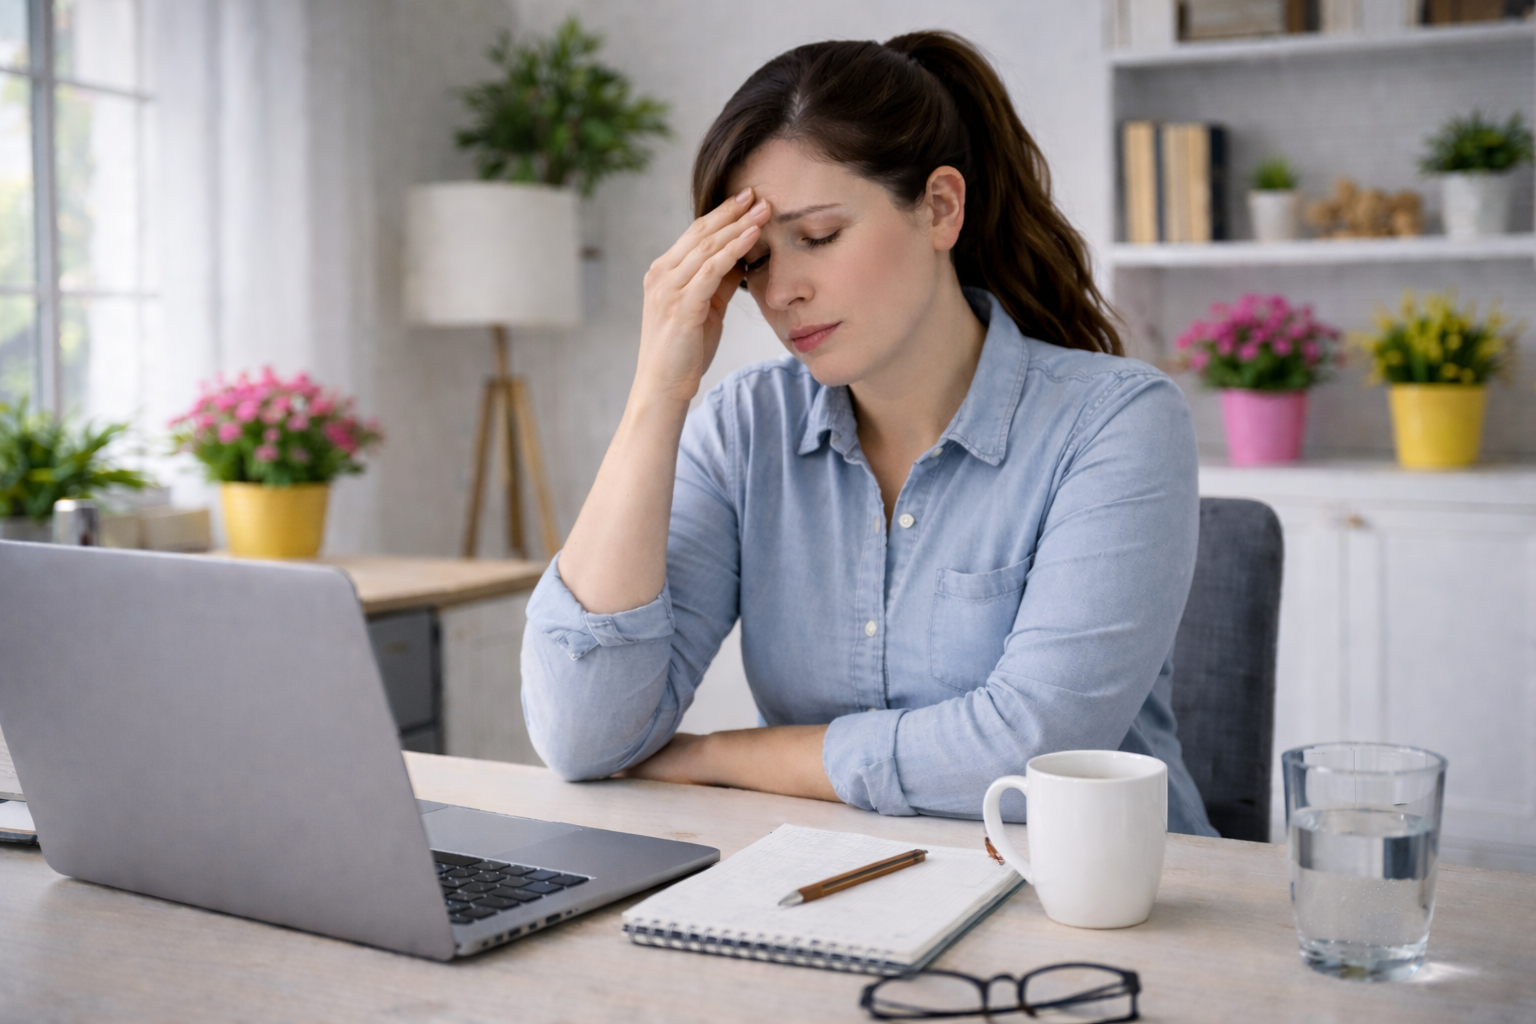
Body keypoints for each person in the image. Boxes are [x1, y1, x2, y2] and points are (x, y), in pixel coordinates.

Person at [520, 31, 1217, 836]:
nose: (782, 291)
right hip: (844, 888)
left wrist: (715, 757)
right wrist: (658, 391)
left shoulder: (1117, 422)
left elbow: (1031, 754)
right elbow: (581, 735)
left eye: (818, 237)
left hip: (1099, 908)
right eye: (752, 262)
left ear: (940, 208)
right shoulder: (746, 431)